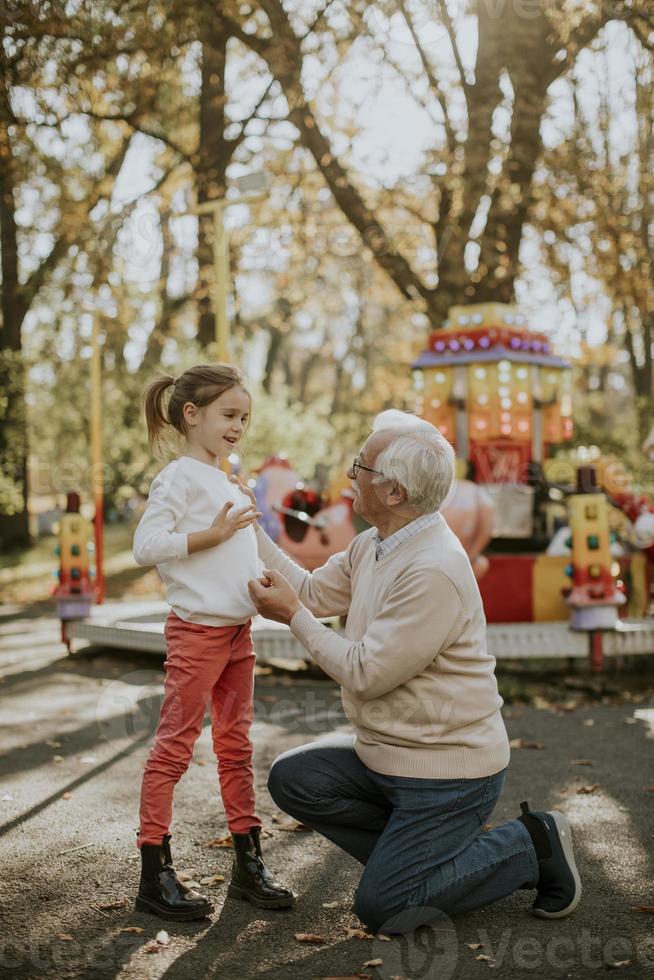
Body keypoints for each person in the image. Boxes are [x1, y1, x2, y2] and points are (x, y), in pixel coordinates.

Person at [247, 410, 581, 934]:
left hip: (447, 775)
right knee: (295, 779)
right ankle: (423, 862)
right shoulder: (375, 543)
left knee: (388, 909)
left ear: (395, 492)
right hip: (389, 758)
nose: (350, 475)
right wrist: (251, 526)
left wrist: (292, 617)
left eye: (360, 465)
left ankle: (529, 844)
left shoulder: (432, 570)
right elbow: (311, 591)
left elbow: (362, 672)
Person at [132, 363, 294, 921]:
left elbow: (256, 550)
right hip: (198, 634)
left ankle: (248, 866)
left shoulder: (227, 480)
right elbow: (146, 545)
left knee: (236, 747)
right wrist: (215, 534)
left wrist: (294, 585)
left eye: (244, 417)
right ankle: (156, 873)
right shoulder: (178, 476)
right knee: (174, 747)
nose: (238, 426)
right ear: (191, 414)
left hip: (238, 633)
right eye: (229, 415)